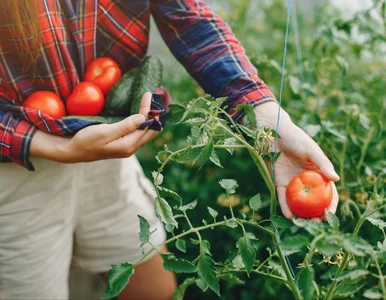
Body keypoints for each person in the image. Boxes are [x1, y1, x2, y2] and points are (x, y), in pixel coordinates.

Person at [0, 0, 340, 299]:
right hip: (14, 172)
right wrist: (46, 145)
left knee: (153, 289)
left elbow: (187, 17)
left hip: (105, 144)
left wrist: (264, 114)